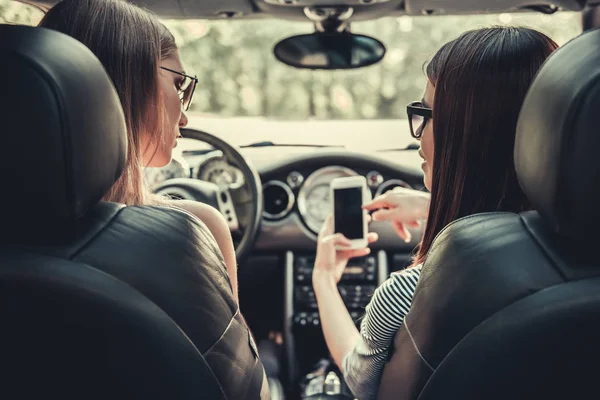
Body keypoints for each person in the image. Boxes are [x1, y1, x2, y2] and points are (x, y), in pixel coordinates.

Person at [312, 26, 558, 400]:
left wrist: (324, 280)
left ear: (468, 135)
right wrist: (434, 208)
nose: (419, 132)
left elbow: (360, 382)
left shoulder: (414, 294)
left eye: (425, 113)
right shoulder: (584, 254)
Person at [38, 0, 240, 304]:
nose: (184, 118)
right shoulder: (193, 231)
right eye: (179, 84)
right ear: (129, 82)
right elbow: (234, 352)